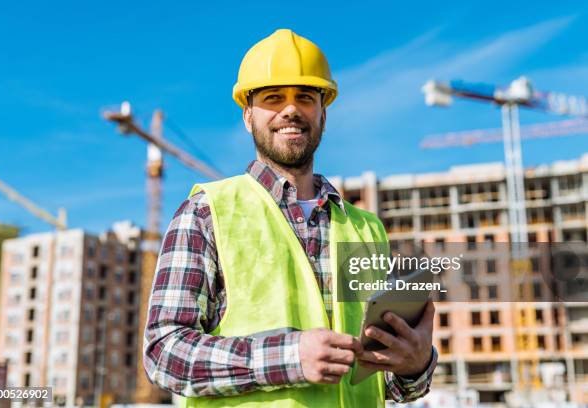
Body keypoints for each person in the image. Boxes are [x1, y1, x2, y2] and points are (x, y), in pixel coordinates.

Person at [144, 28, 437, 407]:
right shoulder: (205, 214)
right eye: (273, 98)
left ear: (323, 114)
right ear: (248, 116)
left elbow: (387, 384)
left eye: (305, 97)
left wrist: (415, 365)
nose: (290, 109)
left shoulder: (366, 229)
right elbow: (164, 354)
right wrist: (288, 357)